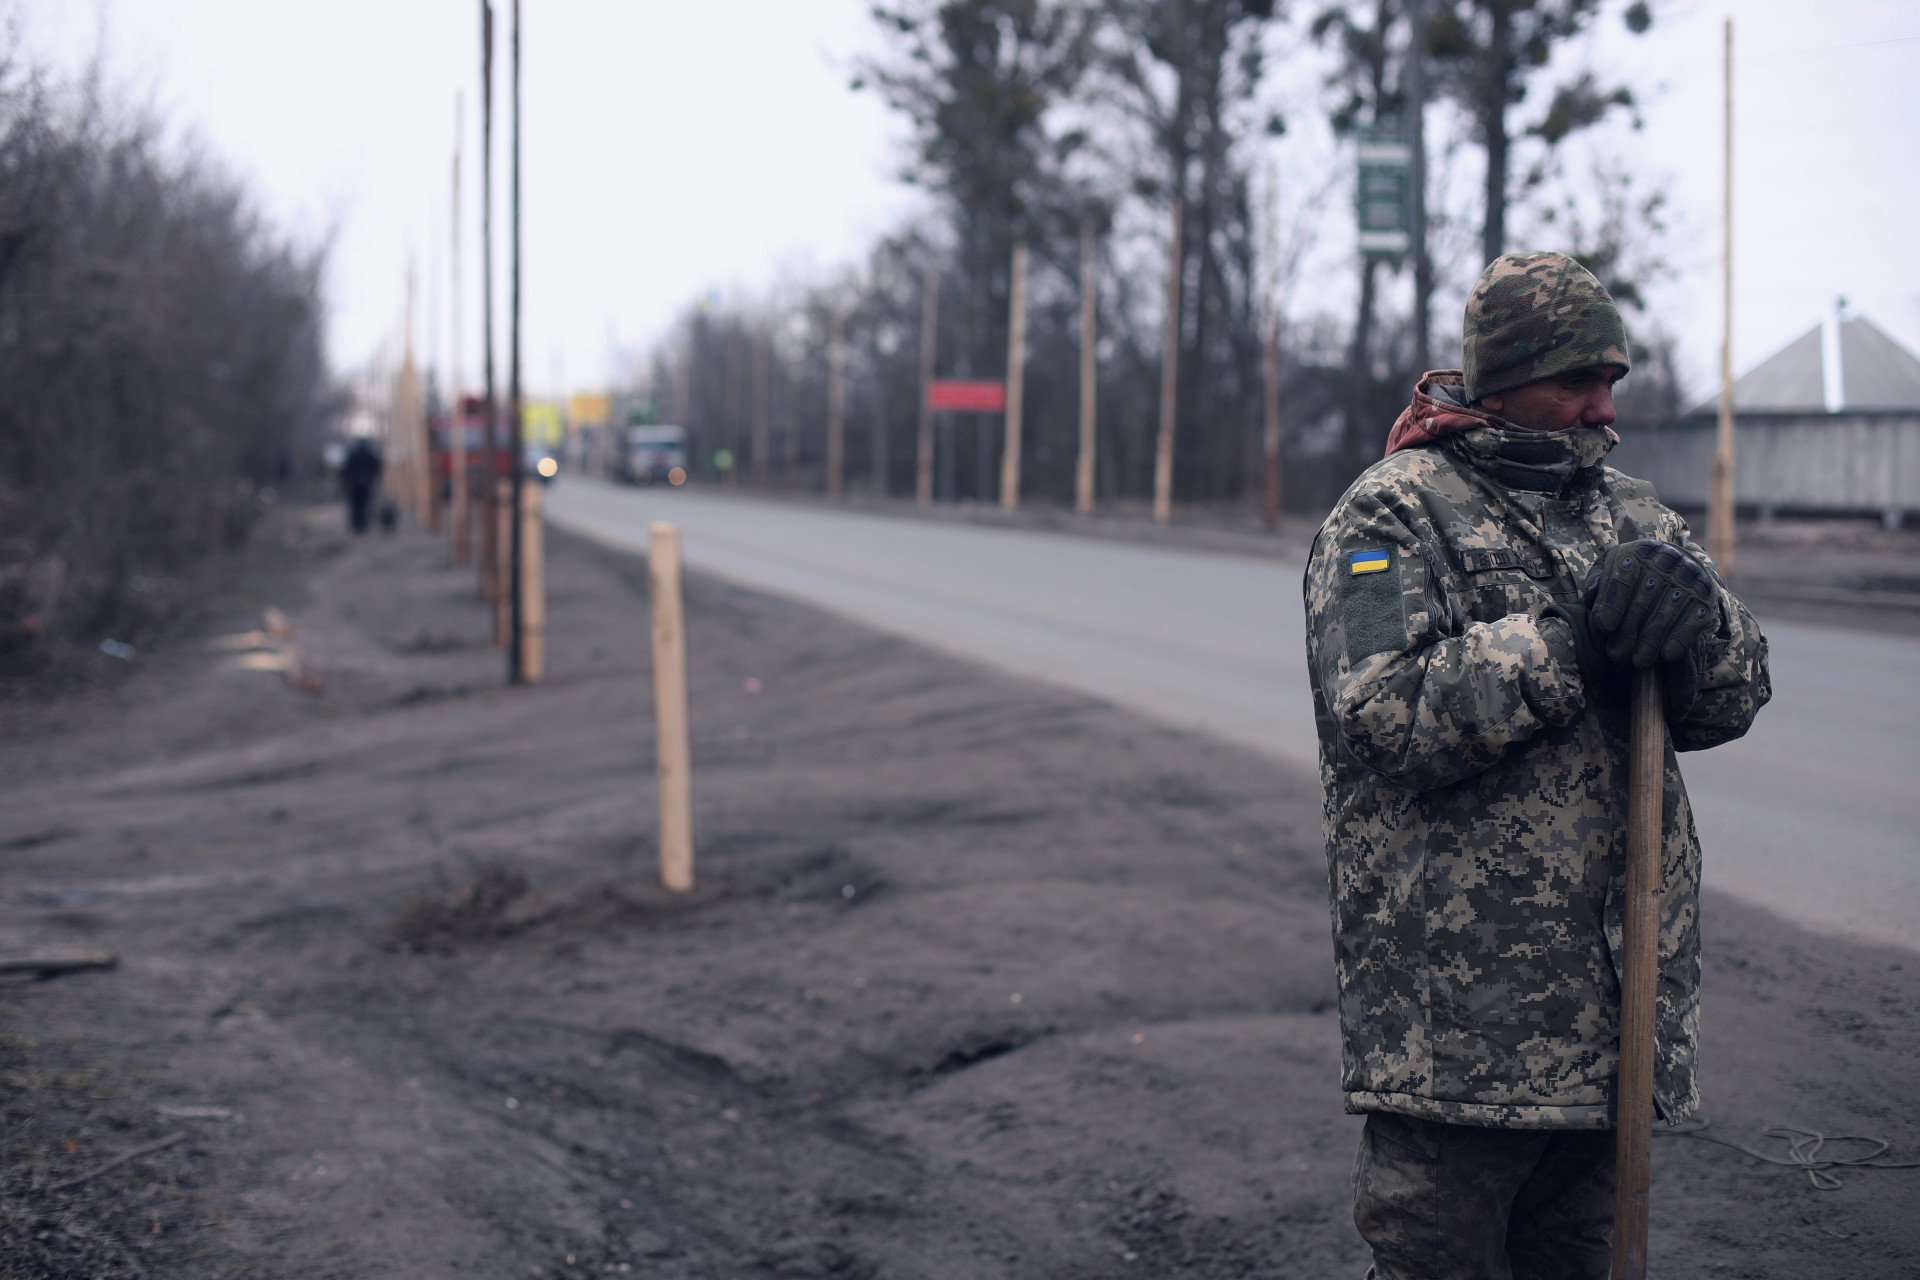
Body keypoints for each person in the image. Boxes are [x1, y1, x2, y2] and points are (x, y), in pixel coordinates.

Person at [1302, 251, 1772, 1279]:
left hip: (1614, 1013)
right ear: (1503, 376)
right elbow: (1382, 714)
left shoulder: (1633, 516)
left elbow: (1730, 699)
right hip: (1460, 1035)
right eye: (1576, 380)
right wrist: (1570, 643)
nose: (1603, 407)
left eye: (1613, 380)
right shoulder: (1391, 515)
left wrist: (1704, 632)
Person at [340, 436, 383, 534]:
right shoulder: (369, 454)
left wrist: (346, 481)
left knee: (356, 505)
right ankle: (362, 524)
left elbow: (345, 469)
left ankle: (357, 524)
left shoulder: (353, 454)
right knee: (363, 505)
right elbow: (377, 467)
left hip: (355, 484)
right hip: (365, 483)